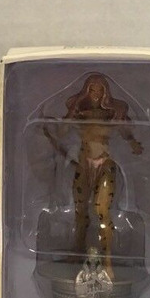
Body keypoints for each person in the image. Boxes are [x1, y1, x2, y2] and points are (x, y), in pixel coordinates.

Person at [45, 73, 143, 278]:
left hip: (105, 163)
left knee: (102, 211)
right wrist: (71, 111)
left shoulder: (112, 113)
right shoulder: (80, 112)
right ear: (86, 91)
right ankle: (76, 253)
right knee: (80, 214)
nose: (96, 94)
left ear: (106, 92)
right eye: (92, 90)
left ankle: (108, 262)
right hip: (83, 162)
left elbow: (125, 132)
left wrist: (133, 143)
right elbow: (62, 133)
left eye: (100, 90)